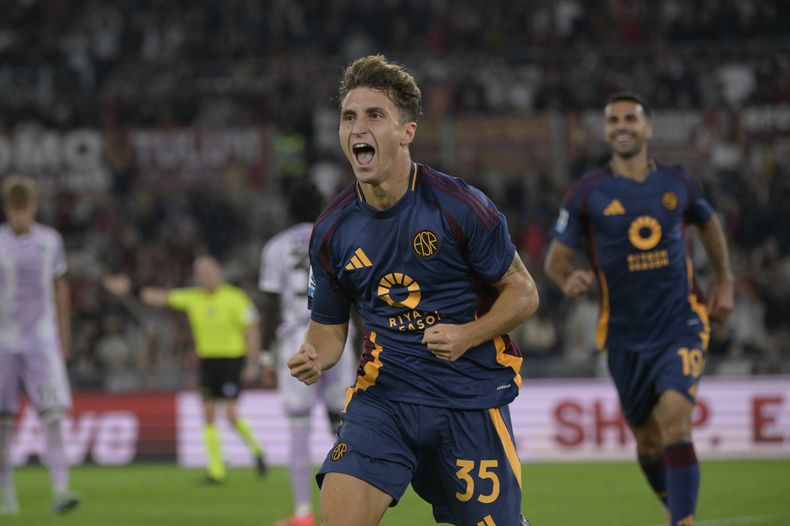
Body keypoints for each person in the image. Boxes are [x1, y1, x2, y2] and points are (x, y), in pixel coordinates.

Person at [287, 55, 539, 526]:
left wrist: (468, 334)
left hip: (468, 400)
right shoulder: (332, 230)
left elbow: (524, 293)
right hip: (384, 401)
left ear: (407, 131)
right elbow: (327, 331)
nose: (358, 128)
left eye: (374, 115)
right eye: (348, 117)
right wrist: (313, 356)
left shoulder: (460, 207)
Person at [544, 92, 734, 526]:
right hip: (623, 337)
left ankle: (681, 521)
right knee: (648, 443)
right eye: (614, 120)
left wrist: (725, 281)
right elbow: (556, 259)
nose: (623, 125)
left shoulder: (677, 182)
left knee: (675, 423)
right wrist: (567, 278)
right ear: (606, 131)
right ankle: (678, 507)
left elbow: (709, 225)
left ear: (648, 128)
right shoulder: (587, 193)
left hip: (680, 322)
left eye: (632, 118)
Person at [103, 256, 266, 483]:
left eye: (209, 272)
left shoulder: (236, 298)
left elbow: (251, 331)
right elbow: (160, 298)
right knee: (208, 416)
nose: (205, 278)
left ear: (218, 273)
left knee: (230, 415)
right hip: (208, 361)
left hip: (231, 360)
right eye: (201, 274)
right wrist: (129, 288)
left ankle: (257, 450)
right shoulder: (193, 298)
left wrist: (252, 362)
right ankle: (216, 471)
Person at [259, 179, 357, 526]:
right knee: (343, 427)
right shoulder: (337, 238)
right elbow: (355, 294)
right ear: (320, 208)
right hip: (338, 335)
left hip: (296, 341)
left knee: (299, 427)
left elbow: (270, 306)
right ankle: (352, 507)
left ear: (288, 210)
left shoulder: (275, 248)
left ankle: (303, 513)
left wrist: (265, 356)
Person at [0, 175, 80, 515]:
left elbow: (60, 288)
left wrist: (65, 336)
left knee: (52, 416)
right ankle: (6, 495)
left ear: (33, 208)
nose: (22, 217)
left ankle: (61, 489)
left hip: (41, 343)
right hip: (3, 342)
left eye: (26, 210)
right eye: (16, 211)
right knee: (3, 421)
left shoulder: (51, 241)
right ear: (7, 210)